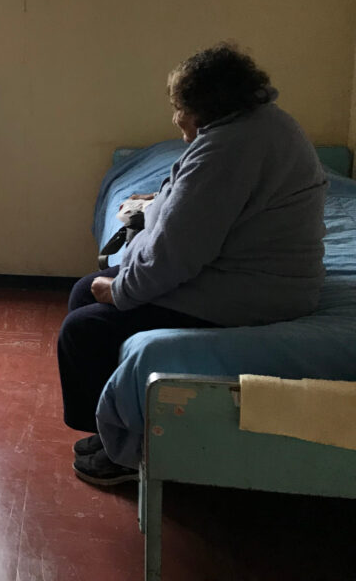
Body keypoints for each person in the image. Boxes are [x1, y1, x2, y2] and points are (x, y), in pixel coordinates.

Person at [59, 43, 327, 485]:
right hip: (248, 275)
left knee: (83, 330)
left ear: (203, 107)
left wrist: (122, 290)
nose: (175, 117)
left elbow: (174, 253)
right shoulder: (257, 126)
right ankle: (111, 427)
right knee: (82, 290)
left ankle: (124, 456)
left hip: (253, 294)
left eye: (177, 107)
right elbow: (189, 209)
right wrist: (155, 205)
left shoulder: (226, 150)